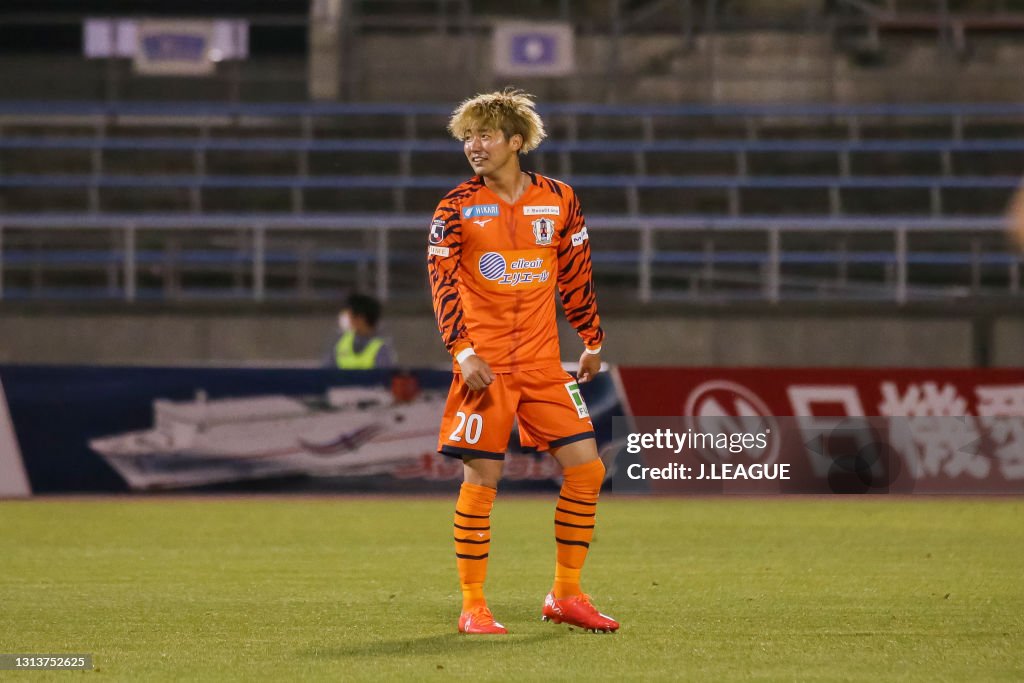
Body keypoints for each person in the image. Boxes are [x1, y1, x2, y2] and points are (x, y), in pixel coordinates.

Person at [427, 89, 618, 635]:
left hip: (543, 365)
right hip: (484, 367)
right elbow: (442, 286)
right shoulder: (455, 207)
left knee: (587, 469)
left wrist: (592, 340)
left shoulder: (559, 199)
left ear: (517, 141)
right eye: (467, 136)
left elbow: (577, 274)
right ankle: (472, 605)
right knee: (483, 482)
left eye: (485, 135)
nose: (473, 146)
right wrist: (462, 351)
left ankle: (565, 595)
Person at [327, 293, 395, 370]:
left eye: (349, 315)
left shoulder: (382, 349)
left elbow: (383, 378)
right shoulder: (339, 342)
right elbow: (327, 372)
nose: (345, 319)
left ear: (360, 318)